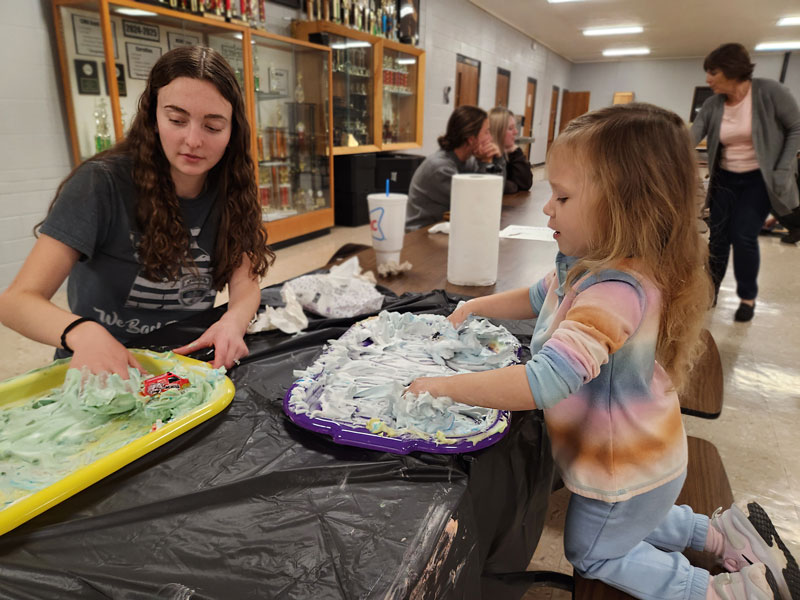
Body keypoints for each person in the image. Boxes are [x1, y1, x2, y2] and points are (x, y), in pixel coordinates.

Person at [407, 103, 795, 600]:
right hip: (646, 459)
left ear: (625, 206)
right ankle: (723, 537)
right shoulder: (587, 264)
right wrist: (471, 306)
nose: (549, 207)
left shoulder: (615, 291)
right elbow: (535, 296)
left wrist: (439, 387)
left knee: (594, 549)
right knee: (638, 517)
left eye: (563, 196)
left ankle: (722, 592)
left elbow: (543, 382)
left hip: (623, 467)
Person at [0, 46, 274, 376]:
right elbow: (17, 301)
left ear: (233, 131)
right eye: (177, 120)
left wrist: (233, 320)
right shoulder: (100, 184)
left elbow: (245, 284)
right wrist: (84, 332)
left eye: (213, 127)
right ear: (153, 118)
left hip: (185, 363)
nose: (192, 140)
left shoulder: (233, 187)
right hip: (104, 366)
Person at [691, 42, 800, 322]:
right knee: (717, 240)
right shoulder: (714, 104)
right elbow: (692, 136)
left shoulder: (769, 92)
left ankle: (747, 299)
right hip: (724, 179)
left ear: (731, 70)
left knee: (743, 236)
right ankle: (710, 291)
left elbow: (796, 127)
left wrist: (782, 167)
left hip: (758, 180)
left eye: (713, 72)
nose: (708, 79)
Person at [405, 105, 503, 231]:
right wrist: (485, 163)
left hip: (445, 228)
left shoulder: (468, 161)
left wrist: (498, 159)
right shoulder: (440, 168)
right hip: (421, 235)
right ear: (471, 139)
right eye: (486, 132)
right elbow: (479, 205)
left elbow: (496, 193)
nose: (491, 138)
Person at [489, 106, 533, 194]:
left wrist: (515, 152)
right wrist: (512, 186)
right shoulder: (486, 154)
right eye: (510, 128)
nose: (516, 132)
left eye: (515, 127)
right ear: (497, 131)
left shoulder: (510, 153)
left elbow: (526, 183)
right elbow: (498, 186)